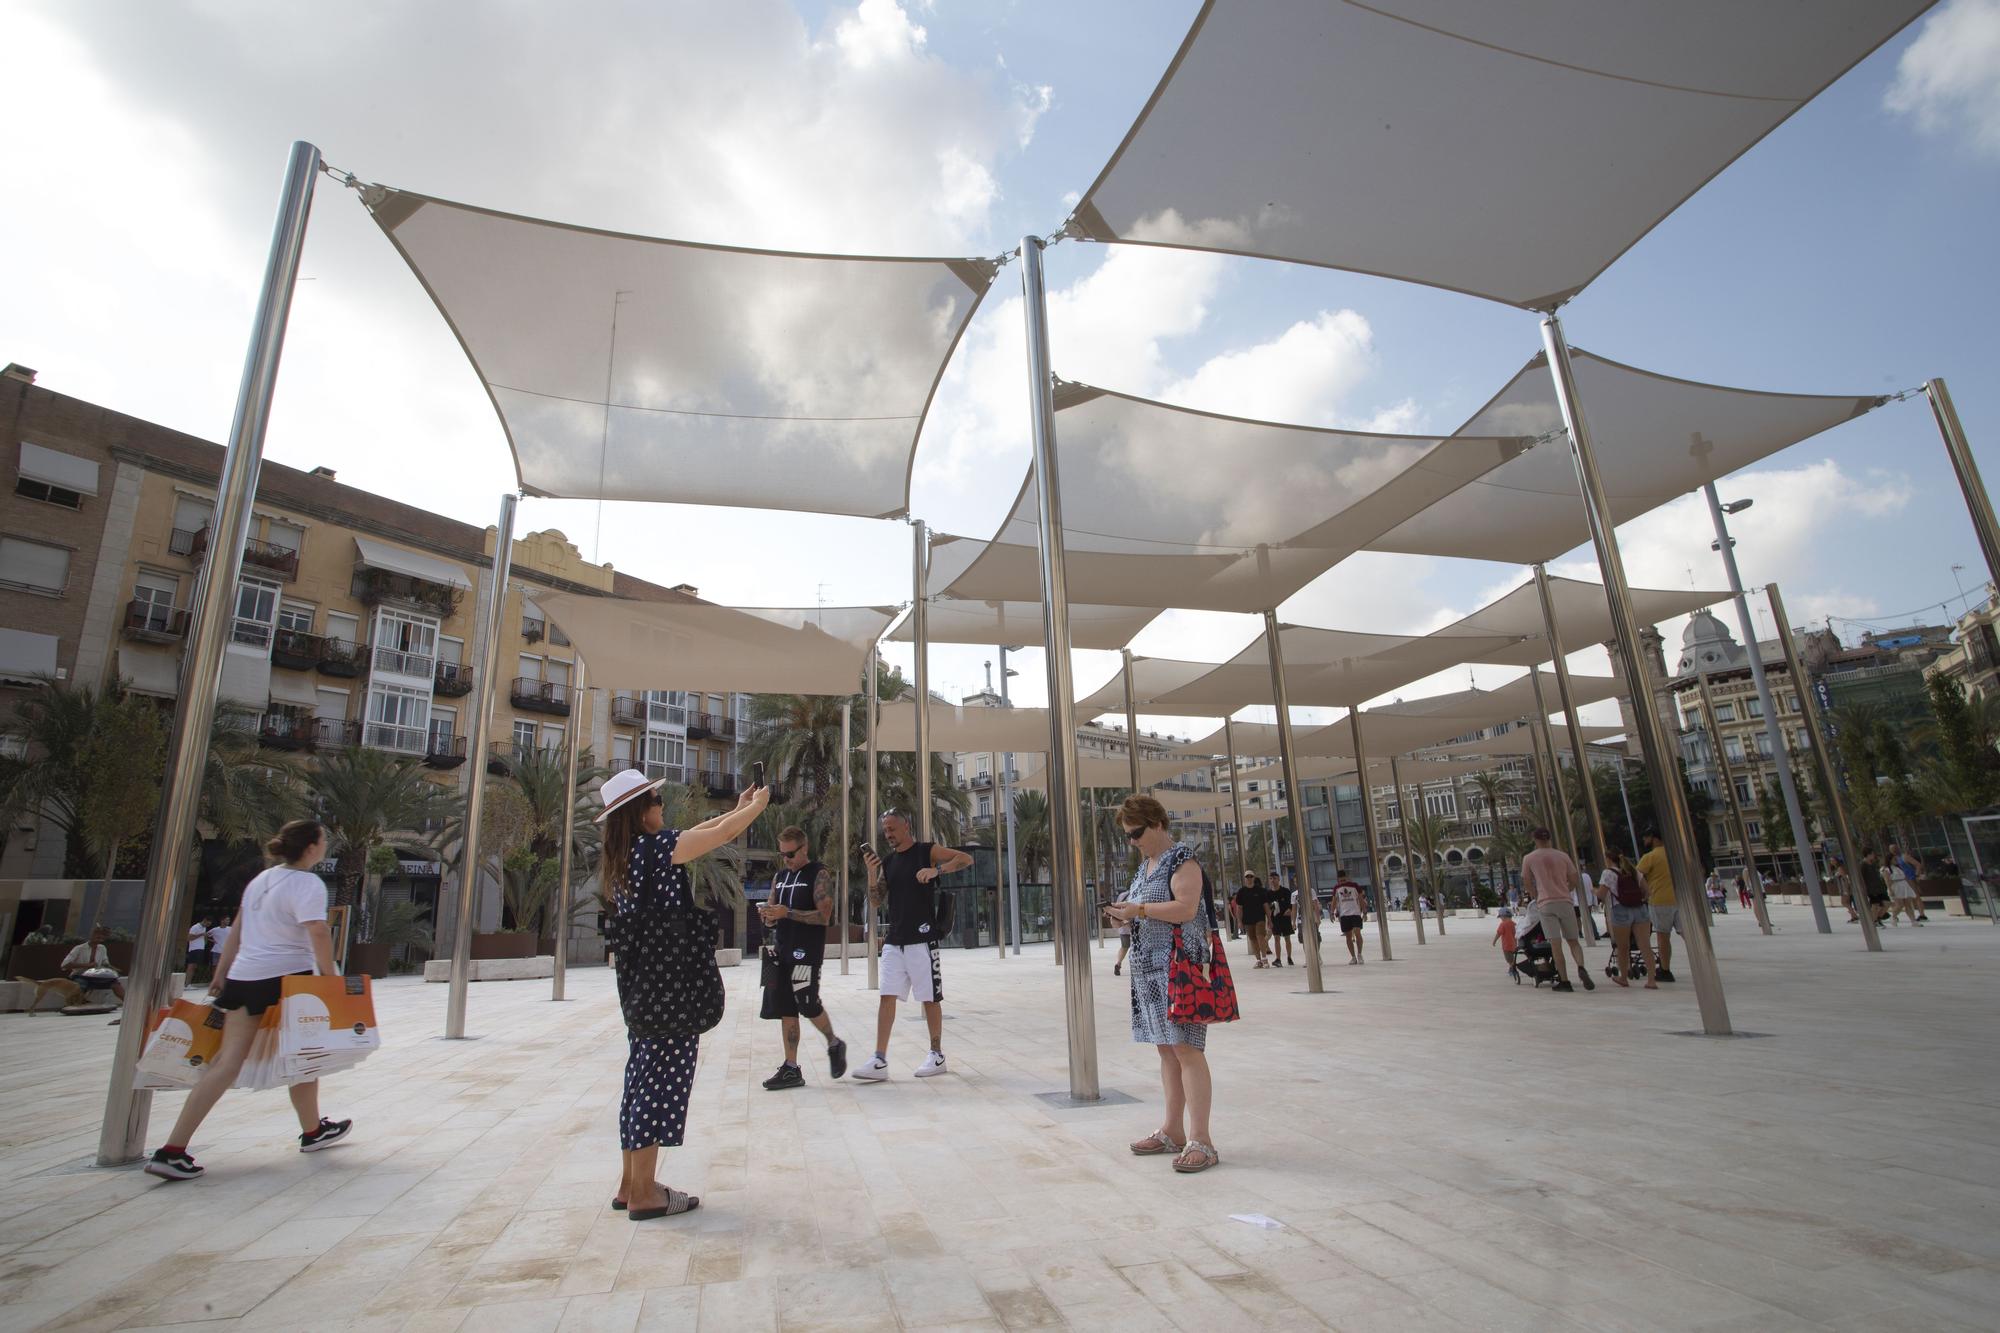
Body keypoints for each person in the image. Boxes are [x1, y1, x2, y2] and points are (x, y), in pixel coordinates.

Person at [599, 768, 767, 1218]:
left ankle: (629, 1183)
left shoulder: (626, 856)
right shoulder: (655, 850)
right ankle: (646, 1193)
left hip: (642, 989)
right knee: (660, 1081)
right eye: (655, 800)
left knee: (639, 1078)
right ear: (639, 812)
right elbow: (719, 836)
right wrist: (754, 809)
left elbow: (698, 833)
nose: (661, 805)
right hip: (669, 988)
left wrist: (736, 809)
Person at [144, 821, 351, 1181]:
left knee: (227, 1062)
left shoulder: (262, 880)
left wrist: (221, 973)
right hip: (288, 976)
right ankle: (313, 1130)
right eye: (324, 839)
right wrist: (331, 980)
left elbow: (239, 928)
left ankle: (172, 1148)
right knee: (303, 1054)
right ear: (312, 847)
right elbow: (317, 931)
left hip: (245, 974)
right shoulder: (307, 884)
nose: (326, 845)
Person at [1103, 795, 1221, 1174]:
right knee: (1166, 1052)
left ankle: (1201, 1139)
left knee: (1187, 1050)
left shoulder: (1181, 859)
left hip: (1178, 967)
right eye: (1127, 835)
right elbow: (1144, 910)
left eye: (1136, 832)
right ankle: (1172, 1129)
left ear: (1156, 824)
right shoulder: (1145, 867)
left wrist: (1139, 910)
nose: (1132, 840)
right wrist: (1124, 918)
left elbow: (1186, 908)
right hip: (1148, 969)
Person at [855, 810, 972, 1081]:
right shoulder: (888, 861)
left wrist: (936, 870)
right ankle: (879, 1059)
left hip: (922, 938)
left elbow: (965, 859)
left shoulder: (926, 850)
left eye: (892, 828)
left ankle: (936, 1054)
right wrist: (872, 873)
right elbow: (876, 900)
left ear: (906, 826)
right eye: (885, 830)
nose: (888, 834)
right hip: (895, 941)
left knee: (930, 999)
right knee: (886, 997)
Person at [757, 826, 847, 1090]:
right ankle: (791, 1067)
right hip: (782, 950)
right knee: (786, 1008)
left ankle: (833, 1042)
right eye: (782, 854)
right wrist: (769, 916)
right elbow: (775, 908)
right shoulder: (780, 876)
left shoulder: (818, 874)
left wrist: (788, 913)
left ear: (804, 848)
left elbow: (824, 916)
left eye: (791, 853)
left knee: (808, 1003)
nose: (786, 859)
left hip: (806, 952)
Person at [1521, 828, 1593, 993]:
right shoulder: (1563, 856)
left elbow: (1526, 880)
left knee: (1555, 943)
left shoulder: (1529, 858)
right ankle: (1581, 967)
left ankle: (1564, 981)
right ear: (1550, 838)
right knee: (1573, 941)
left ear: (1535, 839)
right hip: (1565, 901)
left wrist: (1535, 895)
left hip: (1546, 902)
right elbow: (1574, 878)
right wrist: (1566, 890)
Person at [1595, 847, 1656, 991]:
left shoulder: (1608, 873)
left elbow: (1601, 895)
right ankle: (1652, 980)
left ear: (1609, 859)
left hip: (1620, 909)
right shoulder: (1634, 870)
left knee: (1622, 947)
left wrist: (1594, 892)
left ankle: (1623, 977)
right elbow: (1647, 891)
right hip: (1640, 909)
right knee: (1645, 946)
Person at [1636, 830, 1679, 983]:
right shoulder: (1676, 853)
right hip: (1681, 900)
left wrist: (1645, 891)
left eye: (1645, 837)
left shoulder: (1651, 857)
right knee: (1689, 935)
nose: (1643, 839)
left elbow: (1637, 875)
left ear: (1653, 838)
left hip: (1660, 900)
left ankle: (1665, 970)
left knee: (1663, 937)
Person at [62, 926, 125, 1020]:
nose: (99, 938)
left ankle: (129, 1004)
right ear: (91, 935)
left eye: (101, 937)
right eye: (97, 935)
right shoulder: (79, 948)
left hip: (96, 976)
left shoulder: (102, 948)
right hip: (80, 975)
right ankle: (74, 1005)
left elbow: (105, 963)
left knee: (115, 983)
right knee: (80, 985)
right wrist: (87, 965)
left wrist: (113, 970)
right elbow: (64, 965)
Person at [1233, 872, 1270, 968]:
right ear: (1245, 879)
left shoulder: (1260, 890)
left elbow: (1266, 906)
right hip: (1248, 919)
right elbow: (1239, 908)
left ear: (1254, 878)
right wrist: (1240, 921)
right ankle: (1258, 960)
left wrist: (1270, 919)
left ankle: (1264, 958)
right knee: (1252, 939)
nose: (1249, 878)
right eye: (1247, 877)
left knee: (1260, 936)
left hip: (1260, 918)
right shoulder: (1241, 892)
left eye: (1251, 876)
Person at [1331, 868, 1367, 965]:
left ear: (1347, 878)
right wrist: (1331, 912)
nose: (1343, 882)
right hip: (1344, 915)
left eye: (1344, 880)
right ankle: (1353, 957)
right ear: (1338, 880)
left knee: (1357, 931)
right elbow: (1334, 901)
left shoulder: (1355, 886)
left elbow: (1360, 899)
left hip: (1355, 913)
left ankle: (1359, 954)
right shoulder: (1336, 888)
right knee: (1348, 936)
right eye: (1341, 881)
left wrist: (1364, 911)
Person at [1884, 843, 1924, 927]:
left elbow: (1906, 877)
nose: (1896, 860)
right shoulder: (1887, 869)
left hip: (1904, 885)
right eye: (1894, 859)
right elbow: (1887, 880)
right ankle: (1894, 916)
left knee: (1908, 904)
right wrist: (1890, 890)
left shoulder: (1900, 867)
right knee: (1899, 905)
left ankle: (1913, 921)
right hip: (1896, 886)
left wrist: (1912, 885)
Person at [1859, 849, 1891, 928]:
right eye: (1873, 854)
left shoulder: (1873, 863)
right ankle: (1874, 921)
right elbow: (1861, 877)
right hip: (1871, 888)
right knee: (1875, 904)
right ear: (1868, 854)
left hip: (1879, 887)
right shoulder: (1863, 864)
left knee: (1887, 903)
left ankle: (1878, 918)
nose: (1874, 856)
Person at [1268, 877, 1296, 966]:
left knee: (1287, 938)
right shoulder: (1268, 893)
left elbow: (1292, 903)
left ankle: (1289, 957)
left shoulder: (1286, 891)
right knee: (1276, 938)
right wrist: (1268, 919)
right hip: (1275, 919)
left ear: (1279, 879)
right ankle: (1278, 959)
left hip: (1285, 918)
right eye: (1271, 879)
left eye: (1275, 878)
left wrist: (1290, 909)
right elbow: (1267, 906)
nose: (1273, 880)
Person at [1493, 908, 1519, 981]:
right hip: (1514, 945)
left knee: (1509, 959)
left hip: (1506, 946)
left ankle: (1513, 969)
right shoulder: (1514, 924)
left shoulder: (1503, 924)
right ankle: (1512, 968)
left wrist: (1494, 941)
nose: (1501, 919)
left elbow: (1498, 933)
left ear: (1504, 916)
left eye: (1500, 917)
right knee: (1512, 958)